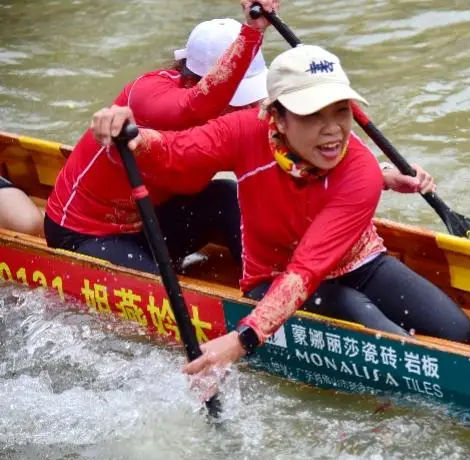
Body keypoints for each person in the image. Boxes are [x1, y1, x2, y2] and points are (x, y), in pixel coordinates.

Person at [91, 43, 470, 381]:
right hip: (273, 275)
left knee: (460, 333)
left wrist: (240, 339)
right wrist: (135, 136)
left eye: (341, 111)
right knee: (372, 324)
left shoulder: (361, 171)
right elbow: (175, 152)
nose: (333, 131)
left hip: (356, 262)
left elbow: (311, 265)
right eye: (313, 115)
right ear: (276, 117)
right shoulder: (244, 131)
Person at [44, 0, 434, 275]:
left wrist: (380, 174)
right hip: (87, 233)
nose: (247, 106)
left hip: (157, 221)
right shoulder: (150, 97)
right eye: (237, 92)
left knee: (229, 199)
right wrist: (252, 32)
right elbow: (196, 106)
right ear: (195, 77)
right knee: (162, 293)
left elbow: (297, 147)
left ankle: (269, 293)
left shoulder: (240, 113)